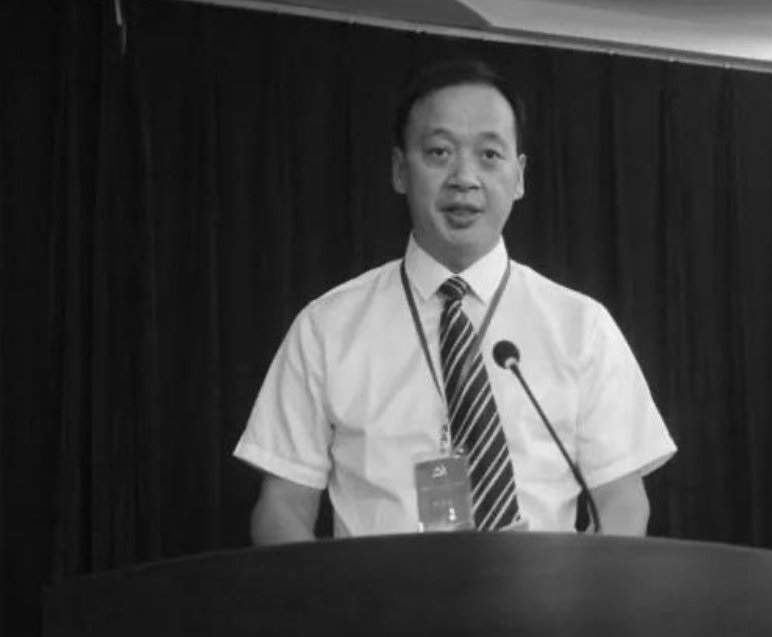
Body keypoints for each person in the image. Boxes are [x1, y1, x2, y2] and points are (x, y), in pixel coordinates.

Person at [234, 59, 676, 543]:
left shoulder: (582, 326)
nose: (465, 177)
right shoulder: (327, 327)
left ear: (520, 176)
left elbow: (622, 501)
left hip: (541, 592)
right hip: (378, 593)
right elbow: (283, 505)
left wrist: (589, 586)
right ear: (400, 170)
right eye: (439, 152)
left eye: (489, 155)